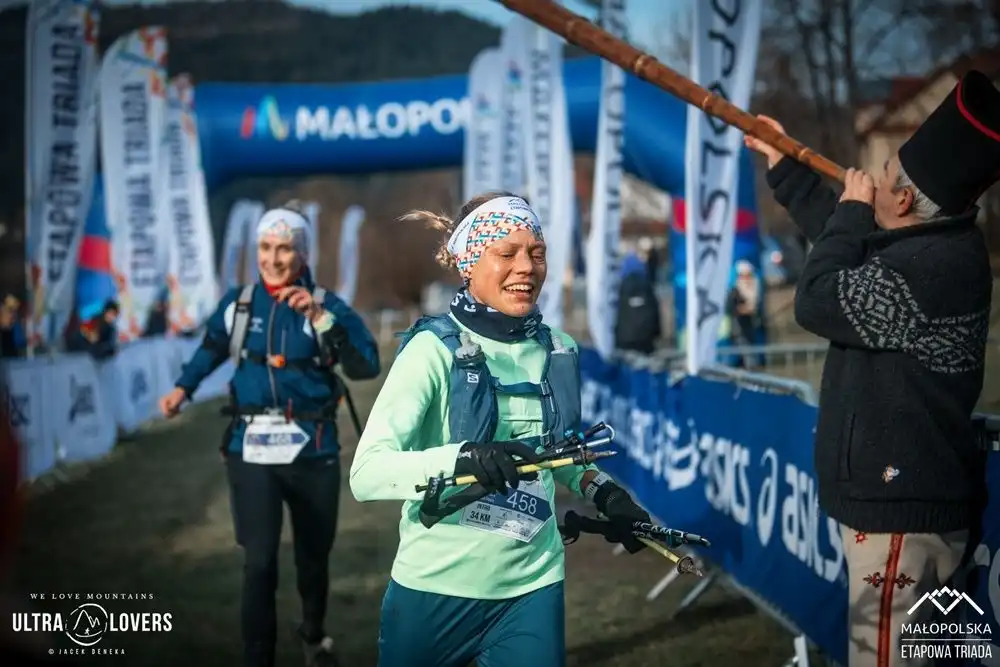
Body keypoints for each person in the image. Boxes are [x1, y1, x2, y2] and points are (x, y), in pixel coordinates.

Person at [745, 70, 998, 667]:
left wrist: (852, 215)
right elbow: (847, 243)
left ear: (905, 201)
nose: (869, 182)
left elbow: (817, 295)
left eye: (882, 179)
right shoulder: (932, 246)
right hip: (905, 507)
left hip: (898, 523)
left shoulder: (927, 269)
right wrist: (787, 165)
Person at [349, 192, 652, 667]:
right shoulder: (432, 351)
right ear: (470, 262)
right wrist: (463, 459)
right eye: (506, 253)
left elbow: (560, 457)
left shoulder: (558, 348)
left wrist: (607, 495)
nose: (526, 267)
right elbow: (367, 473)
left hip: (531, 588)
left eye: (537, 253)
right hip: (434, 591)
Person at [157, 204, 381, 667]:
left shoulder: (326, 303)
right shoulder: (239, 304)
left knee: (312, 559)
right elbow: (212, 347)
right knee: (258, 562)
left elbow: (366, 365)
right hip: (250, 450)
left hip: (313, 449)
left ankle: (314, 636)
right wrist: (184, 386)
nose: (273, 259)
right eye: (265, 247)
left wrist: (322, 319)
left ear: (301, 253)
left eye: (283, 249)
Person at [614, 250, 661, 354]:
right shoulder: (647, 286)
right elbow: (655, 311)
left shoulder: (620, 288)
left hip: (624, 340)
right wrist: (656, 334)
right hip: (646, 341)